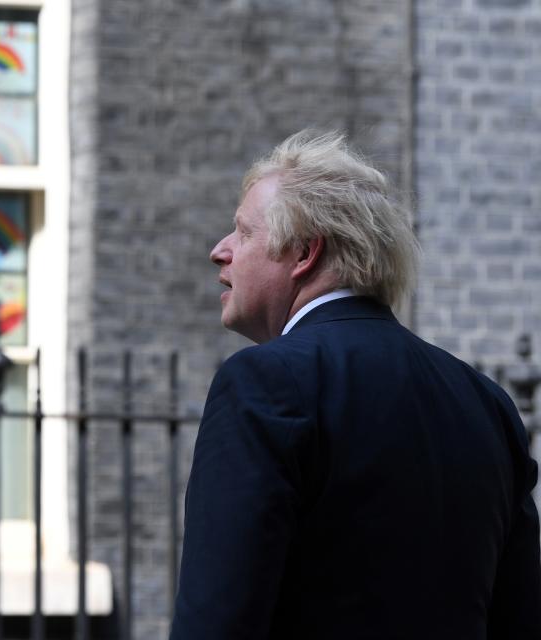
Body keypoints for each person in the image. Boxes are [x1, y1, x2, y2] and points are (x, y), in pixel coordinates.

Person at [170, 131, 541, 639]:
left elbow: (217, 623)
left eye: (243, 232)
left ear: (303, 252)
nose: (220, 251)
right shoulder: (487, 404)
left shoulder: (264, 383)